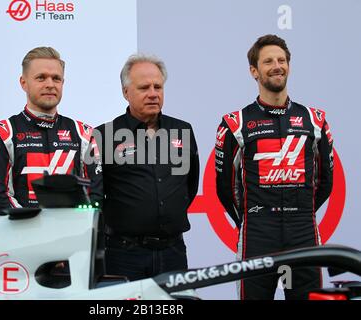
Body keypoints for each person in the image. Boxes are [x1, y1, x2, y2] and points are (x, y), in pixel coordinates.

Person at [215, 34, 334, 300]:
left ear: (289, 66)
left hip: (303, 232)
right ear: (254, 71)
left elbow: (326, 181)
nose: (277, 66)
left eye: (282, 60)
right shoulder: (235, 123)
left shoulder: (315, 120)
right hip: (258, 233)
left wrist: (301, 211)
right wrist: (248, 219)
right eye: (268, 61)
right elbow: (225, 187)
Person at [90, 54, 200, 281]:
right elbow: (95, 196)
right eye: (144, 87)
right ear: (125, 92)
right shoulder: (104, 135)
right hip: (123, 255)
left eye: (158, 86)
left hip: (173, 252)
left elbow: (189, 186)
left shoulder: (183, 130)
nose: (153, 93)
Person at [0, 47, 95, 215]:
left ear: (63, 83)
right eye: (41, 78)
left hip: (73, 236)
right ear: (23, 83)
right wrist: (36, 229)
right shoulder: (1, 133)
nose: (50, 84)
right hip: (23, 236)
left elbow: (95, 193)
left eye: (56, 78)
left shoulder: (84, 134)